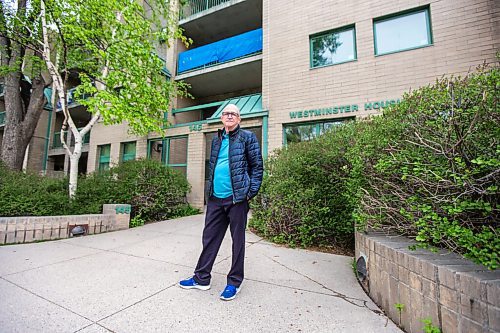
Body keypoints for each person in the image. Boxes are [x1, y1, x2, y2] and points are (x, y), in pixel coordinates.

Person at [179, 103, 264, 301]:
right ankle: (201, 278)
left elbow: (257, 167)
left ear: (239, 119)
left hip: (237, 199)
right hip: (216, 199)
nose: (230, 116)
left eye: (234, 114)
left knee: (237, 242)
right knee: (209, 238)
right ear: (222, 117)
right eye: (227, 113)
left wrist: (249, 193)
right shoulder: (216, 140)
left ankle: (234, 282)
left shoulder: (247, 138)